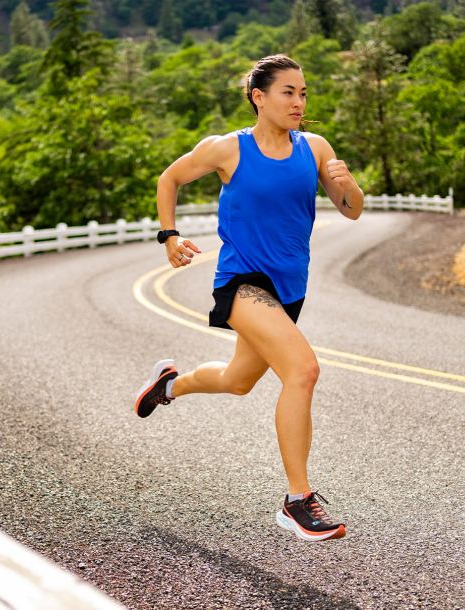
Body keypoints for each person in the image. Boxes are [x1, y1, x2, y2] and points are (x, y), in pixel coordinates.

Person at [134, 54, 364, 542]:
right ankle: (297, 501)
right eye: (288, 92)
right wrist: (170, 237)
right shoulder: (227, 149)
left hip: (288, 289)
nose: (299, 102)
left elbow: (352, 212)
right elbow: (169, 179)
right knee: (303, 370)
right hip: (241, 281)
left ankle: (168, 385)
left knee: (239, 381)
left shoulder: (316, 148)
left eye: (303, 93)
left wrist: (346, 185)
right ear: (259, 97)